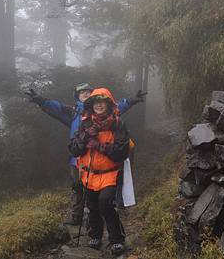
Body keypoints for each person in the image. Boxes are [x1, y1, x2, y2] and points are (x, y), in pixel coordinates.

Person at [25, 83, 145, 225]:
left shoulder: (101, 109)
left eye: (88, 91)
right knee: (78, 188)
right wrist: (41, 101)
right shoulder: (73, 112)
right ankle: (78, 217)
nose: (86, 94)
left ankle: (102, 215)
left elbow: (117, 106)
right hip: (78, 157)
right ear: (78, 96)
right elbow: (56, 108)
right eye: (82, 92)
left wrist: (131, 100)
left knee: (102, 191)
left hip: (100, 157)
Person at [69, 88, 129, 255]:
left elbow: (122, 152)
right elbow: (74, 150)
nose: (99, 105)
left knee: (105, 203)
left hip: (110, 173)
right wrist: (85, 137)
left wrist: (101, 146)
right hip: (89, 174)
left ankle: (117, 239)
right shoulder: (85, 123)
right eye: (96, 102)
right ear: (91, 105)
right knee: (92, 206)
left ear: (109, 104)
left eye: (103, 101)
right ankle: (95, 236)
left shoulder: (118, 124)